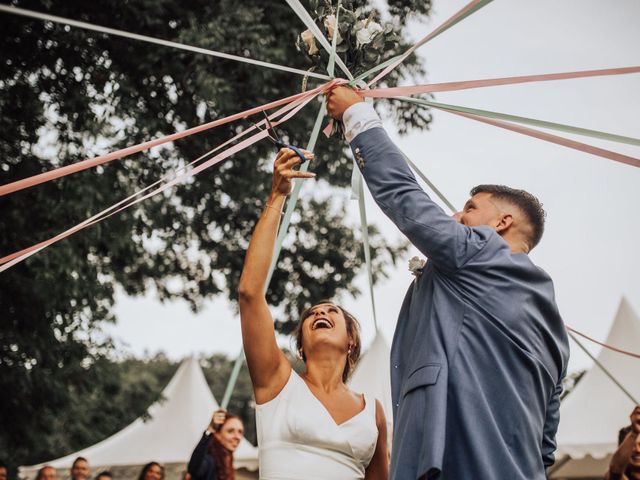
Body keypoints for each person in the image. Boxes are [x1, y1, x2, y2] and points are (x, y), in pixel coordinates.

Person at [326, 86, 570, 480]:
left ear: (501, 223)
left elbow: (405, 197)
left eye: (471, 208)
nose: (457, 215)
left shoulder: (479, 254)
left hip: (449, 462)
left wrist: (356, 115)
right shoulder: (557, 335)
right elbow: (545, 445)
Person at [237, 147, 389, 479]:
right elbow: (250, 294)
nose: (320, 312)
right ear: (301, 346)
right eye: (312, 314)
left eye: (333, 311)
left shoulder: (372, 412)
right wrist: (276, 196)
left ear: (351, 339)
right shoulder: (277, 381)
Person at [188, 409, 244, 480]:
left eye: (240, 432)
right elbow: (194, 469)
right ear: (217, 435)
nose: (237, 437)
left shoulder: (228, 461)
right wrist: (209, 430)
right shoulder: (209, 461)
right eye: (230, 431)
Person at [605, 406, 640, 480]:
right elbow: (615, 471)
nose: (637, 450)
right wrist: (634, 433)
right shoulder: (618, 475)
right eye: (632, 446)